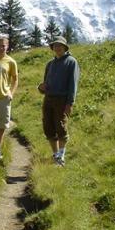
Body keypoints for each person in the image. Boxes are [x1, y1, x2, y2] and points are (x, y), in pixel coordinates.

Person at [37, 36, 80, 166]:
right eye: (55, 45)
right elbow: (45, 84)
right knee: (48, 127)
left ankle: (61, 156)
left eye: (60, 45)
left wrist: (70, 103)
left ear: (65, 47)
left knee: (61, 127)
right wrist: (40, 87)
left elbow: (73, 84)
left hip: (62, 100)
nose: (58, 48)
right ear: (53, 48)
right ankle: (55, 155)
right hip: (48, 99)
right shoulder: (50, 64)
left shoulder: (71, 62)